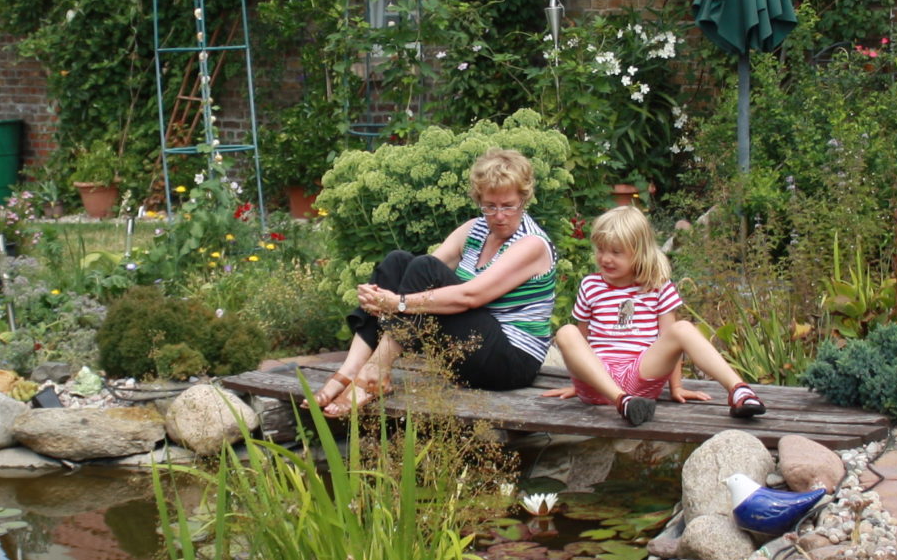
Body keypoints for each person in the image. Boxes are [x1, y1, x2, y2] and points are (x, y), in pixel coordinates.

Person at [313, 147, 556, 416]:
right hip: (469, 348)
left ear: (524, 199)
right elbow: (417, 276)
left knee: (424, 269)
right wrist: (378, 295)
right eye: (490, 206)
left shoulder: (532, 244)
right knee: (398, 262)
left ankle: (376, 372)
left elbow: (470, 296)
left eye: (509, 206)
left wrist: (397, 303)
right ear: (479, 200)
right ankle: (350, 370)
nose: (499, 216)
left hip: (510, 363)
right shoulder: (474, 230)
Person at [541, 205, 764, 424]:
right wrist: (579, 382)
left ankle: (739, 391)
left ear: (639, 252)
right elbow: (582, 340)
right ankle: (622, 401)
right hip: (598, 382)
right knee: (567, 332)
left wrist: (676, 387)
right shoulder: (591, 285)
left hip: (640, 378)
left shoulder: (657, 286)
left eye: (616, 252)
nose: (605, 258)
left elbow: (671, 342)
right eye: (600, 249)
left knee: (683, 328)